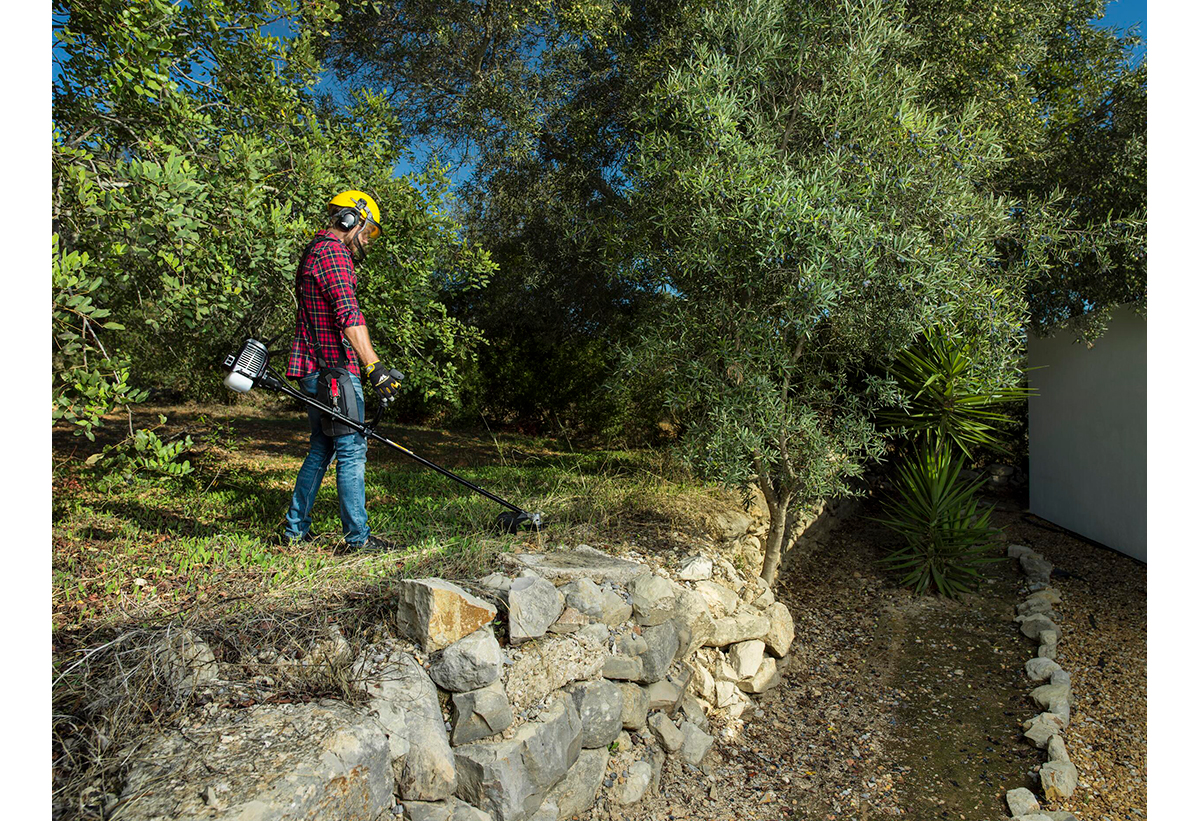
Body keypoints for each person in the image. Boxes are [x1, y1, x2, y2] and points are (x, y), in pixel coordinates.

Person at [281, 190, 404, 551]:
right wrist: (374, 367)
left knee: (322, 448)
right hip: (333, 371)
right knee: (352, 449)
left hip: (313, 366)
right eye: (367, 231)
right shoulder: (334, 253)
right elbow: (349, 314)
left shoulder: (314, 250)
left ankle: (294, 531)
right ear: (350, 219)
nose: (366, 240)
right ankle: (358, 540)